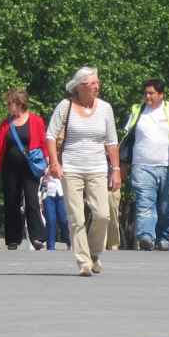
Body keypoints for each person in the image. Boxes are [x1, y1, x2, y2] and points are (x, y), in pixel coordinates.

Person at [45, 66, 120, 277]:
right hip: (71, 168)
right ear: (81, 86)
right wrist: (54, 163)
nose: (98, 86)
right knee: (76, 217)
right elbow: (50, 136)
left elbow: (112, 141)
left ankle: (94, 253)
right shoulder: (65, 106)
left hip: (97, 168)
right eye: (93, 83)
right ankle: (84, 262)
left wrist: (115, 170)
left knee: (102, 215)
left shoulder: (105, 108)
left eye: (98, 82)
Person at [120, 79, 169, 251]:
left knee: (165, 205)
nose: (147, 96)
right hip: (141, 165)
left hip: (168, 166)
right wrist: (122, 167)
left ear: (161, 94)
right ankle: (146, 236)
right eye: (145, 93)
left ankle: (163, 237)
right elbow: (127, 138)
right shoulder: (138, 111)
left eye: (151, 93)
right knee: (144, 201)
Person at [0, 88, 48, 250]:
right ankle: (13, 238)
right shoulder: (7, 123)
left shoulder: (36, 121)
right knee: (12, 201)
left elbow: (43, 143)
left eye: (9, 103)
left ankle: (37, 237)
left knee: (32, 199)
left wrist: (49, 162)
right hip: (9, 168)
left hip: (30, 167)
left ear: (19, 104)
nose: (8, 106)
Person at [39, 172, 68, 250]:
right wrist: (40, 198)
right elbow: (41, 179)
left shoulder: (63, 161)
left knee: (64, 220)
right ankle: (51, 247)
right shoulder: (45, 161)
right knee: (51, 220)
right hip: (47, 194)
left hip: (62, 193)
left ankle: (68, 241)